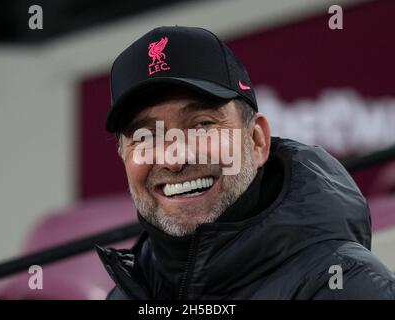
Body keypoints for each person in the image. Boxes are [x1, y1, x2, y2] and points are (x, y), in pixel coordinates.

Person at [97, 26, 395, 299]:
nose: (175, 159)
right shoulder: (123, 296)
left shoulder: (348, 286)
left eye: (201, 125)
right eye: (146, 137)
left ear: (257, 141)